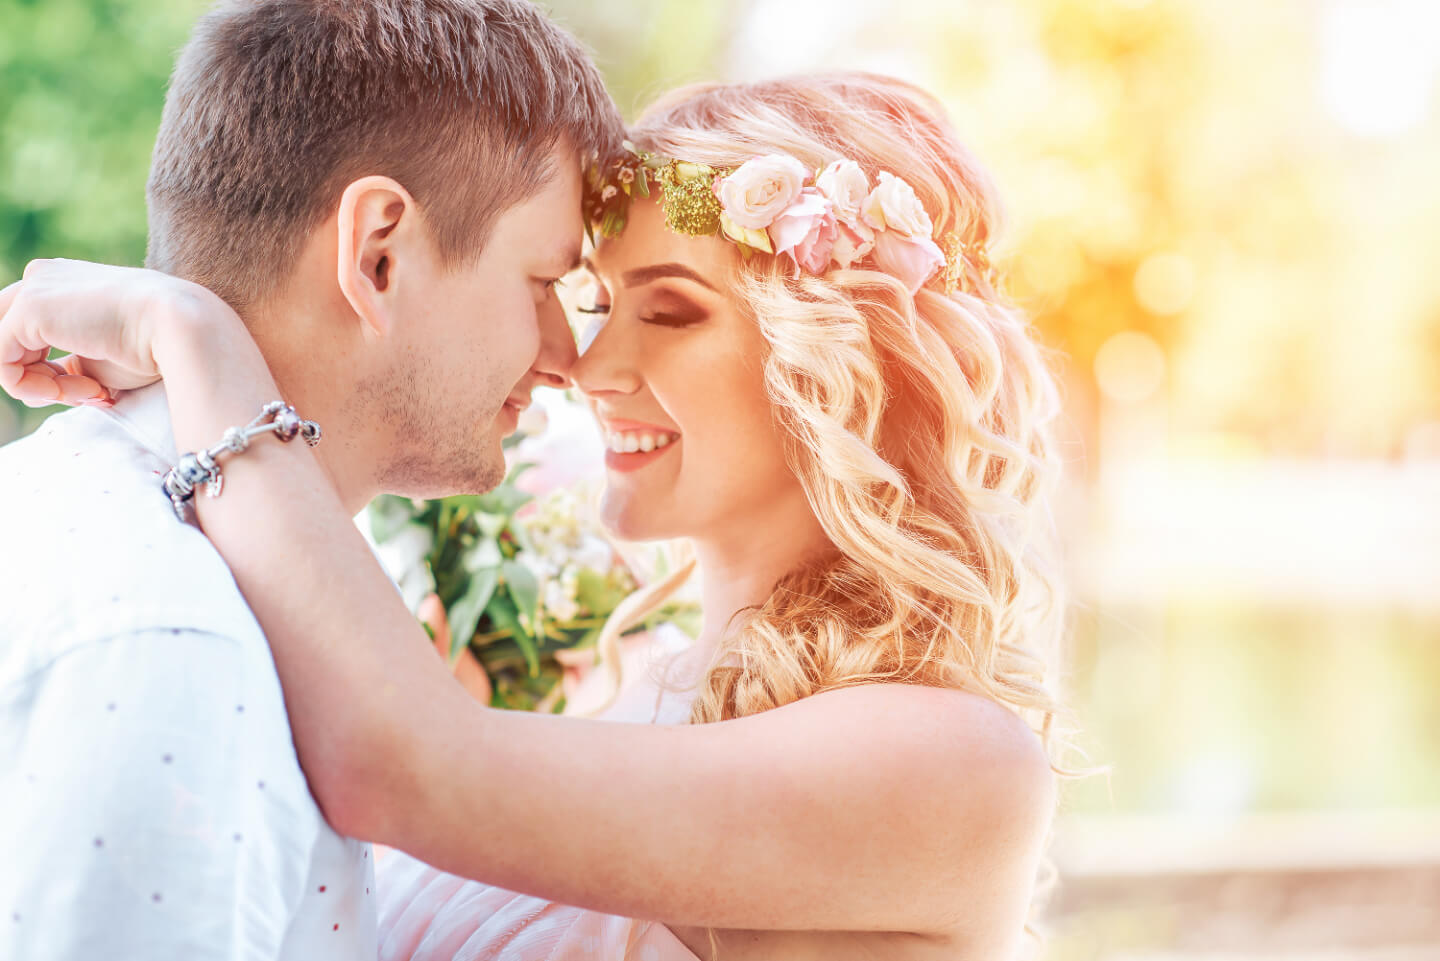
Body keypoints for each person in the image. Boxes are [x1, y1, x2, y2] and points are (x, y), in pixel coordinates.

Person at [1, 72, 1068, 961]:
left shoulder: (956, 764)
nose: (587, 366)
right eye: (598, 303)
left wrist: (192, 332)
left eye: (671, 310)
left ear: (844, 363)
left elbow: (407, 768)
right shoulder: (622, 688)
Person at [0, 0, 620, 957]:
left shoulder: (116, 525)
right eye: (543, 284)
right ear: (378, 254)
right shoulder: (180, 640)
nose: (564, 356)